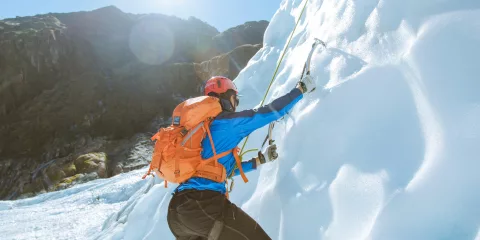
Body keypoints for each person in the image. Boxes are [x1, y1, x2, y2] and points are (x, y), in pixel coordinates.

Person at [167, 75, 315, 240]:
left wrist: (259, 161)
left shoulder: (201, 131)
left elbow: (224, 171)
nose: (235, 104)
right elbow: (267, 113)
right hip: (203, 205)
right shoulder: (225, 123)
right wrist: (300, 90)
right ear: (224, 97)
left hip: (177, 214)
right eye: (234, 99)